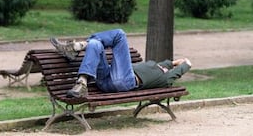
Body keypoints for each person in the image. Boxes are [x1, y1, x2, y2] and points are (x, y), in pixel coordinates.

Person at [50, 29, 192, 98]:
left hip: (124, 81)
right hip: (105, 79)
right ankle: (81, 83)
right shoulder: (157, 66)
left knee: (119, 34)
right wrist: (173, 62)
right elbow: (167, 63)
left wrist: (186, 64)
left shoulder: (165, 79)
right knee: (95, 44)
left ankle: (76, 47)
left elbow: (178, 70)